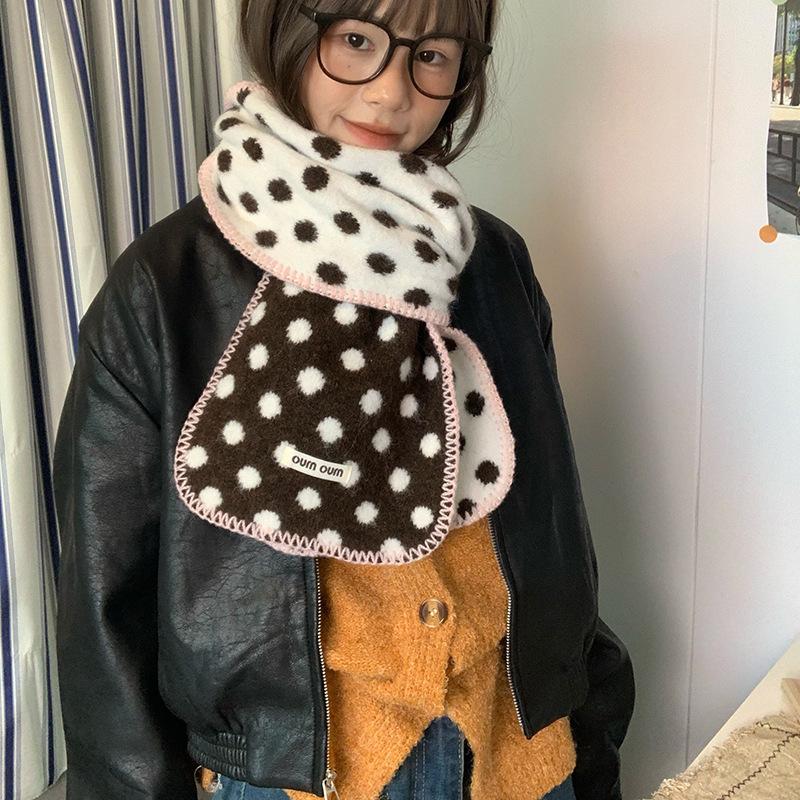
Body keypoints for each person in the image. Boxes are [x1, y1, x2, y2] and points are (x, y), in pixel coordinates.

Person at [53, 2, 635, 800]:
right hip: (290, 777)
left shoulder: (492, 263)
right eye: (356, 40)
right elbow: (104, 607)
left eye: (432, 54)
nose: (392, 91)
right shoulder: (166, 286)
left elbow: (553, 527)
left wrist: (590, 736)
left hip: (519, 755)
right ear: (286, 30)